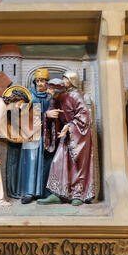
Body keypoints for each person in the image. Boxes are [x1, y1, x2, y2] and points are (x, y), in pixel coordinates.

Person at [37, 73, 95, 206]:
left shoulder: (74, 96)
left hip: (80, 135)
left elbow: (85, 115)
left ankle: (78, 195)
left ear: (57, 90)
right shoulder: (54, 100)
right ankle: (58, 193)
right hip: (66, 135)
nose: (47, 91)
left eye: (50, 89)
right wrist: (48, 115)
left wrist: (70, 126)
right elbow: (52, 116)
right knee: (58, 161)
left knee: (78, 164)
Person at [6, 68, 53, 204]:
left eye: (42, 81)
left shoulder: (50, 97)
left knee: (44, 162)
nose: (40, 83)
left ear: (47, 82)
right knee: (30, 161)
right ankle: (28, 192)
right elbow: (22, 116)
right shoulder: (29, 96)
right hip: (31, 134)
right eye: (38, 80)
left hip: (45, 135)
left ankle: (42, 191)